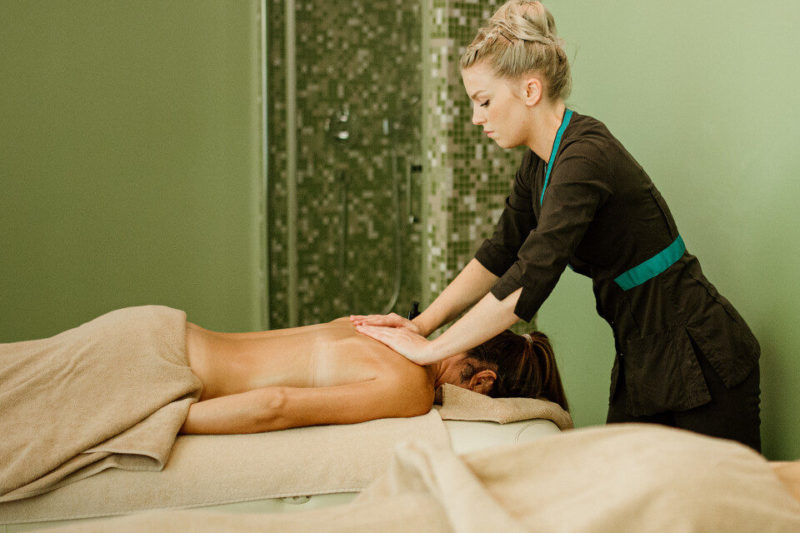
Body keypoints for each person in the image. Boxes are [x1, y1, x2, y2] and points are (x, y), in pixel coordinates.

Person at [352, 0, 761, 450]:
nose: (477, 118)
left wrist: (434, 352)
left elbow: (529, 279)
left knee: (725, 509)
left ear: (530, 91)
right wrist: (422, 325)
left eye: (484, 101)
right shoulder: (541, 162)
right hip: (643, 350)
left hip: (700, 349)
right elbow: (500, 251)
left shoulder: (584, 157)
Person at [177, 316, 567, 433]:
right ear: (481, 382)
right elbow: (276, 405)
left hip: (169, 330)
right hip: (169, 376)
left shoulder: (392, 329)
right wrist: (170, 421)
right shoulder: (412, 388)